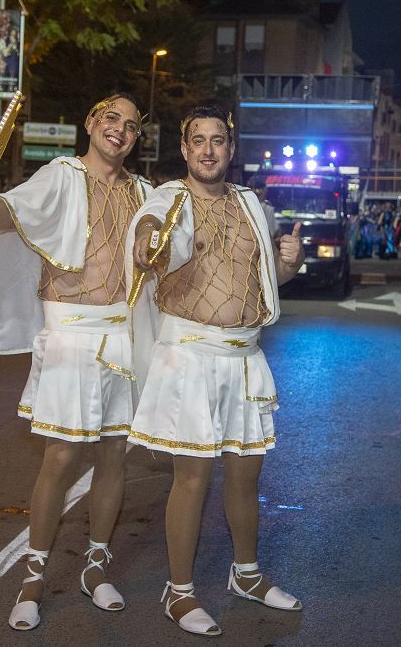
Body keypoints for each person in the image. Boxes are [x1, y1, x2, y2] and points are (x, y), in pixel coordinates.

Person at [0, 92, 152, 631]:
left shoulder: (146, 193)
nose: (119, 131)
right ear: (90, 122)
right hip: (71, 335)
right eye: (110, 119)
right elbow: (12, 207)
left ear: (137, 139)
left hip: (123, 338)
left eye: (130, 125)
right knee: (60, 457)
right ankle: (33, 578)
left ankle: (96, 569)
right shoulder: (59, 175)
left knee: (113, 456)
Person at [127, 102, 304, 638]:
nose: (208, 149)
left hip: (246, 356)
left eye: (218, 140)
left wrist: (290, 264)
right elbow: (149, 237)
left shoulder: (253, 205)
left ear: (231, 148)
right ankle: (178, 592)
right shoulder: (168, 200)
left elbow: (266, 281)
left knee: (247, 475)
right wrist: (146, 241)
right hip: (191, 356)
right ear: (183, 149)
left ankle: (245, 575)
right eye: (197, 140)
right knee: (193, 477)